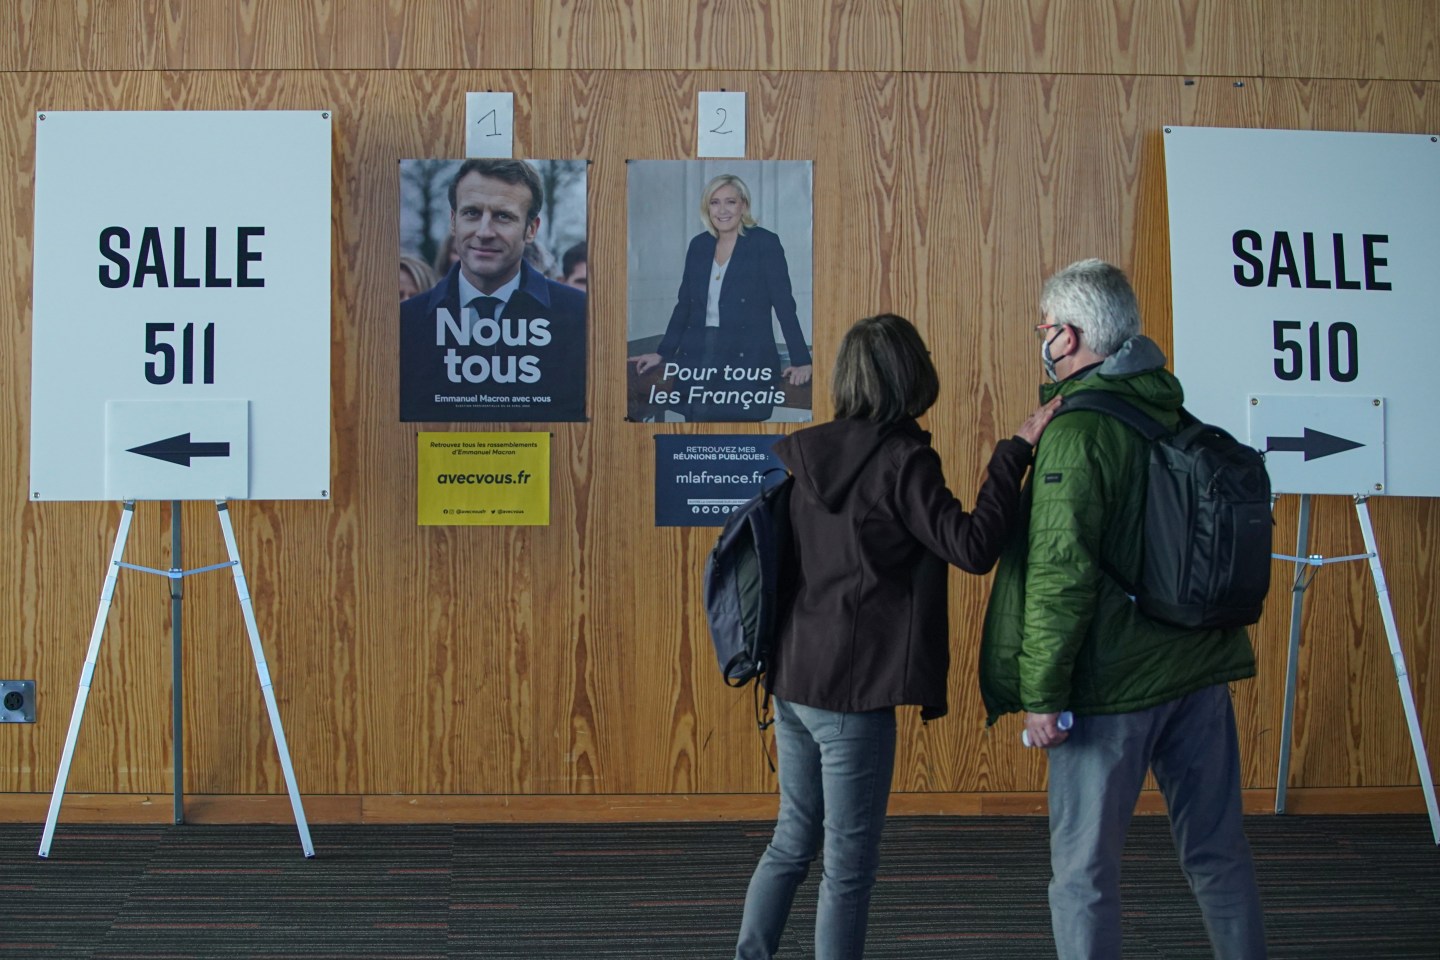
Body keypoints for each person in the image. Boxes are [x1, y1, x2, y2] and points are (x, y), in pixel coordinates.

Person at [734, 313, 1060, 960]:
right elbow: (970, 547)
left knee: (792, 842)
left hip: (794, 681)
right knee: (848, 868)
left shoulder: (809, 455)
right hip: (853, 696)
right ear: (912, 373)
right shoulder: (903, 461)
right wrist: (1010, 455)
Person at [978, 259, 1267, 960]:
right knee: (1217, 854)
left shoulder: (1075, 436)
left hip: (1112, 690)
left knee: (1083, 876)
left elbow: (1059, 575)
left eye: (1044, 328)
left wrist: (1042, 695)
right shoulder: (1169, 404)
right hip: (1197, 668)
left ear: (1069, 338)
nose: (1041, 338)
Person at [400, 159, 587, 422]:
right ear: (453, 221)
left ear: (531, 229)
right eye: (472, 213)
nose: (484, 232)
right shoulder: (406, 323)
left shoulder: (579, 318)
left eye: (503, 216)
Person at [628, 173, 812, 421]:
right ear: (707, 208)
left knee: (738, 432)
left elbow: (784, 305)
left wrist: (802, 359)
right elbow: (685, 306)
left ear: (743, 205)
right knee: (697, 426)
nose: (722, 210)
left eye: (730, 202)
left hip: (745, 356)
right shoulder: (699, 245)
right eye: (715, 202)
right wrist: (663, 353)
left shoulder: (764, 243)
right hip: (699, 353)